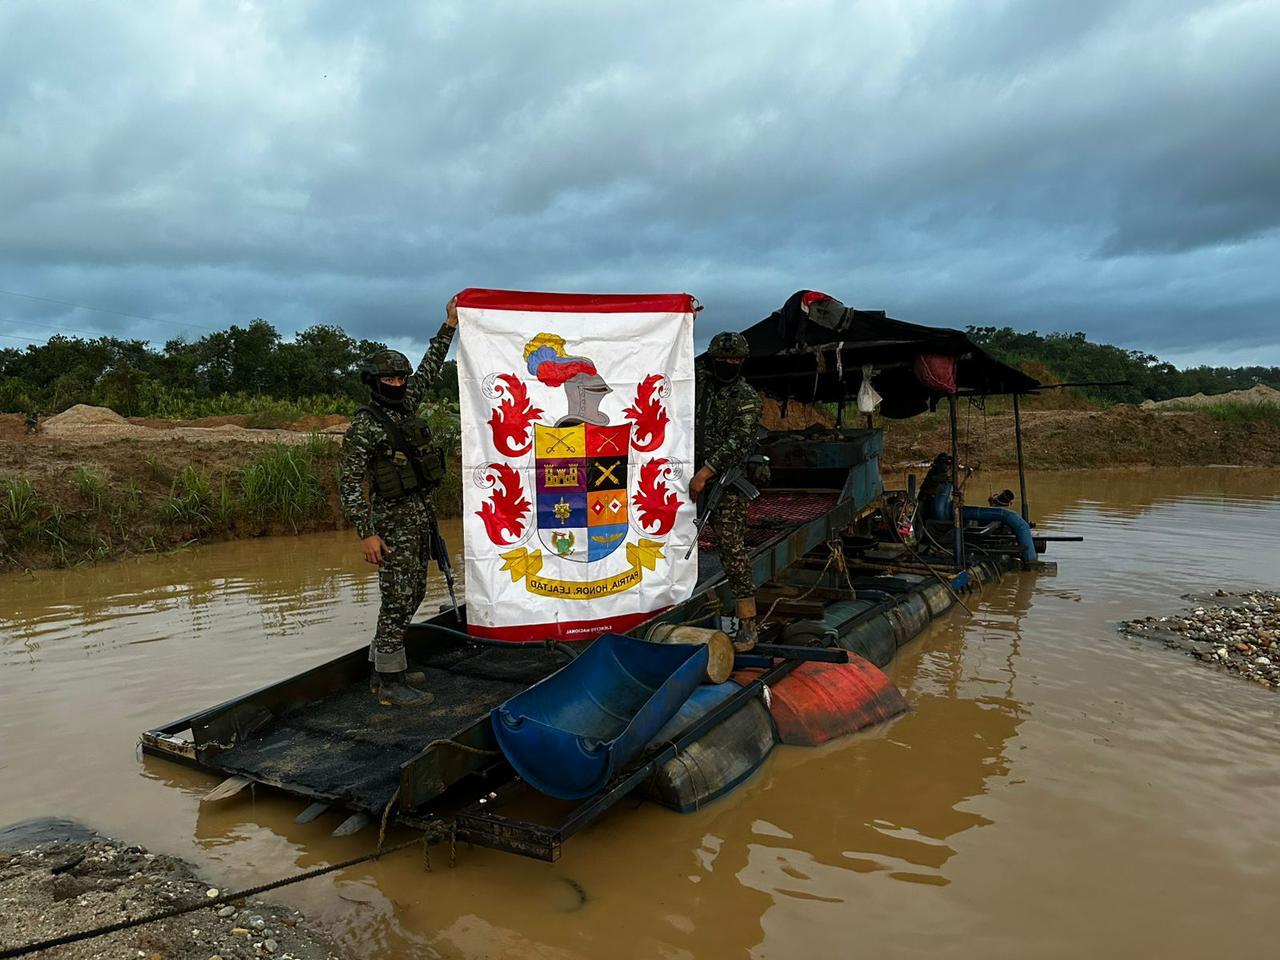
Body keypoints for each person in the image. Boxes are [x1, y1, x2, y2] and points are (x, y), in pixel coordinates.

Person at [339, 295, 458, 707]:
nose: (397, 384)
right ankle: (391, 686)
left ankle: (385, 670)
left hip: (419, 517)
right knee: (398, 596)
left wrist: (449, 326)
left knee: (413, 592)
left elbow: (428, 368)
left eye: (399, 378)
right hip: (391, 522)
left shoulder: (406, 406)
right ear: (373, 382)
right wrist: (366, 534)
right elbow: (351, 482)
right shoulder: (364, 428)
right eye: (388, 380)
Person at [690, 330, 764, 652]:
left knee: (731, 548)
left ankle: (748, 622)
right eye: (723, 360)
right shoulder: (702, 384)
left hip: (726, 480)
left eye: (735, 360)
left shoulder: (747, 397)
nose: (729, 365)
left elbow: (738, 443)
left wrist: (705, 474)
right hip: (692, 473)